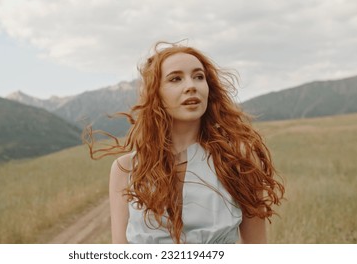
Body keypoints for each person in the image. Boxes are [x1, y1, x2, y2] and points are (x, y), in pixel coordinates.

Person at [84, 41, 285, 244]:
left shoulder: (237, 159)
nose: (191, 86)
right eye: (176, 79)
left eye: (199, 77)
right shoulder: (125, 169)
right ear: (156, 94)